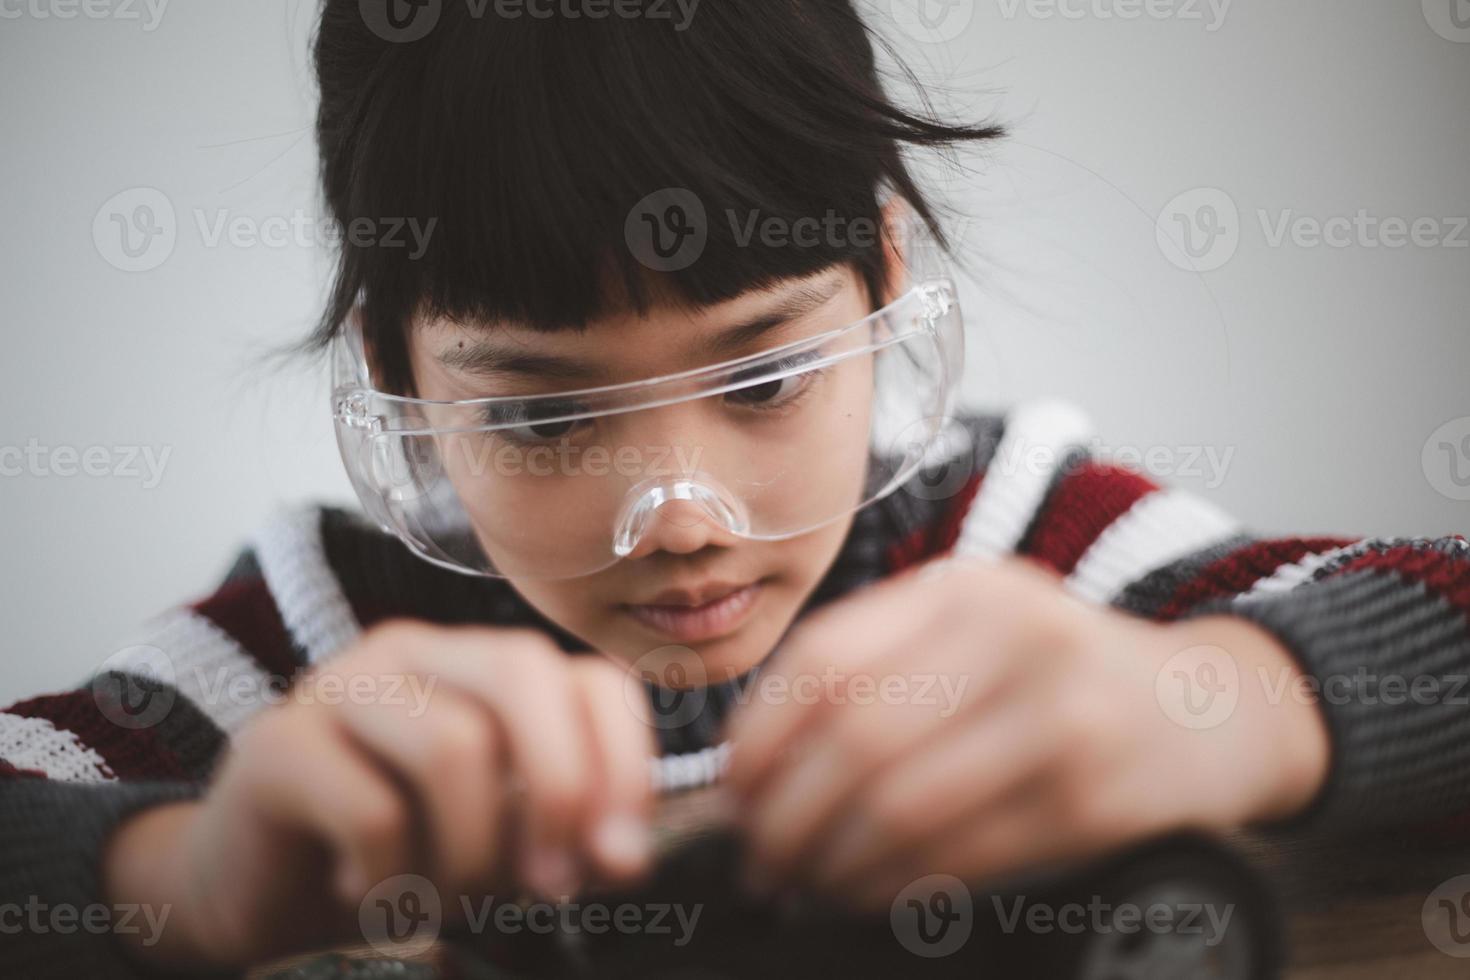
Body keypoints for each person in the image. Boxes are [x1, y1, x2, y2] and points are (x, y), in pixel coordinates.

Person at [4, 1, 1466, 975]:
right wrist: (183, 875)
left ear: (883, 281)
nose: (682, 515)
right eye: (542, 414)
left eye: (762, 378)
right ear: (395, 373)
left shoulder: (1019, 540)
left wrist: (1218, 711)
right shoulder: (323, 644)